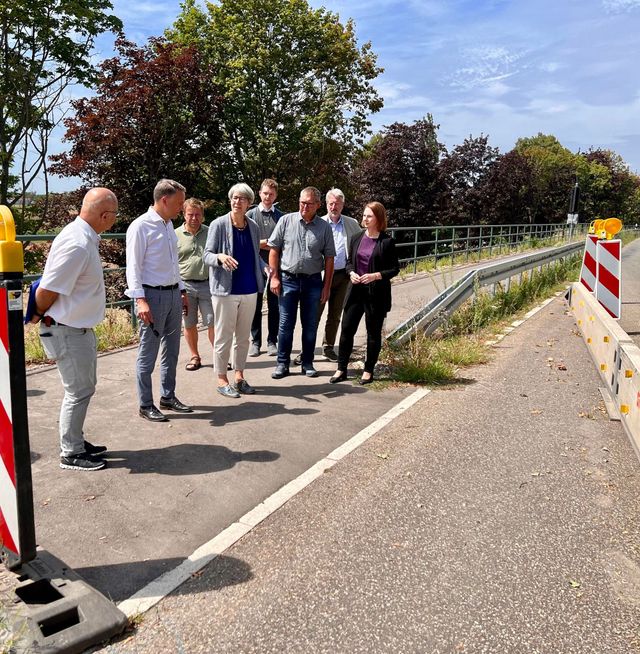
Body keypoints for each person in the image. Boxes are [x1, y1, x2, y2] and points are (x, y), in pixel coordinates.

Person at [33, 187, 119, 471]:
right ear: (105, 215)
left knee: (83, 389)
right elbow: (49, 289)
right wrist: (38, 313)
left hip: (75, 328)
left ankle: (76, 441)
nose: (114, 221)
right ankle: (71, 452)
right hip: (66, 329)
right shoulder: (78, 243)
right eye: (114, 215)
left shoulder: (82, 237)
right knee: (78, 391)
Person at [126, 179, 192, 421]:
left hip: (173, 294)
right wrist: (140, 300)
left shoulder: (168, 224)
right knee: (148, 352)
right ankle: (145, 404)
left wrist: (182, 291)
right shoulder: (141, 226)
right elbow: (133, 267)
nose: (182, 208)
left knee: (172, 350)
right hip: (152, 295)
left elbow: (174, 263)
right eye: (179, 203)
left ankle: (168, 396)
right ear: (164, 200)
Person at [203, 183, 266, 398]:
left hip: (250, 289)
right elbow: (207, 255)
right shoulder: (218, 224)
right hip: (225, 291)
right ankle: (222, 379)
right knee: (223, 337)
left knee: (243, 338)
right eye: (234, 198)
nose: (237, 202)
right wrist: (220, 257)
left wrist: (265, 266)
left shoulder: (253, 226)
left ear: (249, 203)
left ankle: (239, 377)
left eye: (241, 199)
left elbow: (253, 255)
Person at [268, 186, 335, 379]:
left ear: (318, 205)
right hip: (288, 279)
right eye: (301, 202)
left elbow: (329, 258)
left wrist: (326, 287)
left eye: (309, 203)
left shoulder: (324, 228)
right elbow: (274, 250)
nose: (304, 206)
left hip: (313, 281)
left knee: (310, 325)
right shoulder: (286, 221)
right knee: (285, 324)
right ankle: (282, 364)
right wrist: (274, 277)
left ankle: (307, 363)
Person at [330, 201, 399, 385]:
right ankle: (341, 369)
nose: (365, 219)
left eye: (369, 216)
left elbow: (394, 269)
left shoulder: (387, 241)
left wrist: (376, 275)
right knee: (346, 330)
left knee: (373, 333)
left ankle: (368, 370)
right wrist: (351, 273)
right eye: (364, 215)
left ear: (378, 219)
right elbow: (349, 262)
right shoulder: (356, 237)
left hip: (375, 294)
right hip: (355, 292)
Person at [294, 188, 361, 365]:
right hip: (320, 276)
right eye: (330, 203)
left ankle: (328, 347)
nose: (333, 207)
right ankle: (305, 350)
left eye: (337, 204)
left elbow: (359, 246)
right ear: (325, 204)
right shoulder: (319, 223)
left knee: (335, 314)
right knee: (313, 314)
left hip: (343, 276)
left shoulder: (352, 223)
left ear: (343, 205)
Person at [175, 198, 214, 371]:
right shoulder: (174, 234)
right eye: (190, 214)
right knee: (189, 323)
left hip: (208, 284)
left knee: (213, 322)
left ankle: (218, 356)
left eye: (198, 214)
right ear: (184, 214)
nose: (194, 218)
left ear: (203, 216)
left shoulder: (210, 232)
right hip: (185, 286)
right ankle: (194, 356)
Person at [247, 178, 283, 357]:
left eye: (271, 194)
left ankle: (272, 341)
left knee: (275, 306)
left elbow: (284, 242)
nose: (268, 197)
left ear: (275, 195)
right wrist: (266, 243)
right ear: (260, 193)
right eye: (265, 193)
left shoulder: (281, 217)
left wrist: (265, 244)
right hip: (255, 266)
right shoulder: (250, 216)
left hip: (276, 267)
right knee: (255, 305)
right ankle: (255, 341)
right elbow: (248, 242)